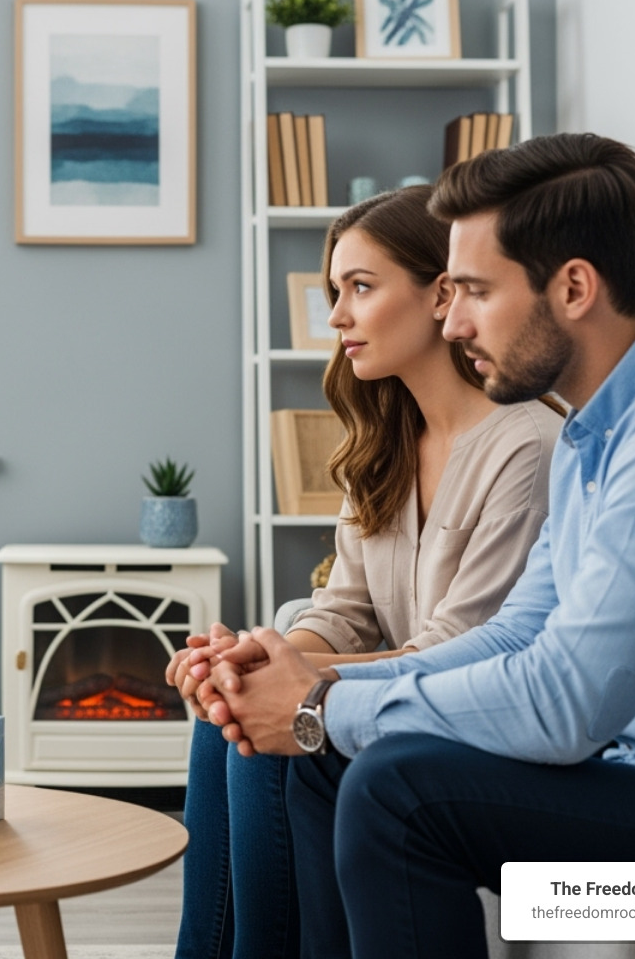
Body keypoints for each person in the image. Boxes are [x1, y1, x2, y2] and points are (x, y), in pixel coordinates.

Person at [202, 131, 635, 959]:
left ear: (575, 288)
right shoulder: (602, 428)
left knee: (397, 789)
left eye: (476, 290)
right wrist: (311, 679)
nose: (453, 317)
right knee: (326, 763)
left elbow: (565, 701)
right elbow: (517, 636)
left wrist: (319, 706)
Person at [169, 185, 563, 959]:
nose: (337, 317)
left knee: (256, 719)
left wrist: (285, 673)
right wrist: (254, 658)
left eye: (360, 288)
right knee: (228, 720)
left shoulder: (527, 447)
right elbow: (343, 607)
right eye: (332, 294)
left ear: (440, 293)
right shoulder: (383, 442)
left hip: (463, 717)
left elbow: (465, 645)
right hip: (388, 699)